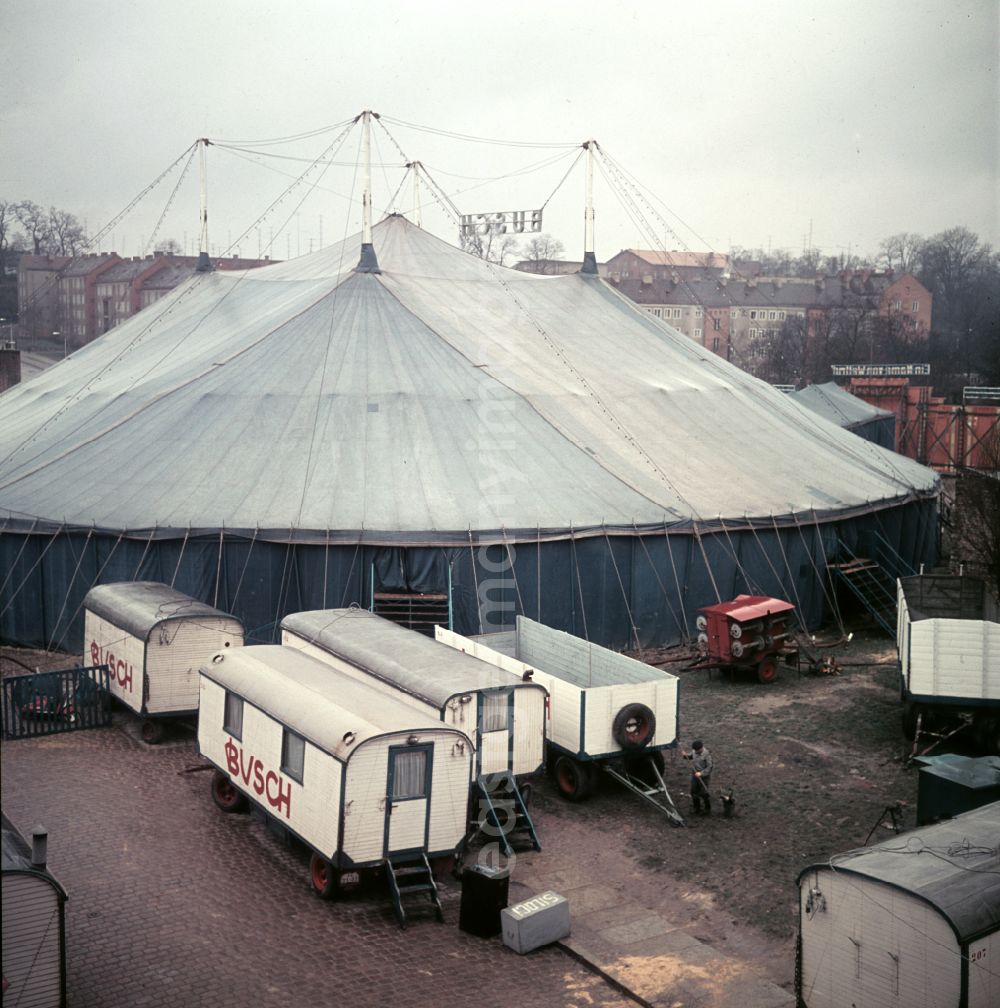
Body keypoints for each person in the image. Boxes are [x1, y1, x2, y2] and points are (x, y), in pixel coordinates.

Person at [682, 739, 713, 815]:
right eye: (694, 750)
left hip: (704, 778)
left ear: (701, 748)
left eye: (697, 751)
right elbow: (691, 756)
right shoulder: (694, 751)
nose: (695, 752)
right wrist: (686, 755)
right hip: (695, 776)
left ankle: (707, 809)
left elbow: (710, 767)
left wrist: (701, 773)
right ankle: (696, 808)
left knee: (704, 793)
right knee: (693, 792)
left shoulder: (707, 755)